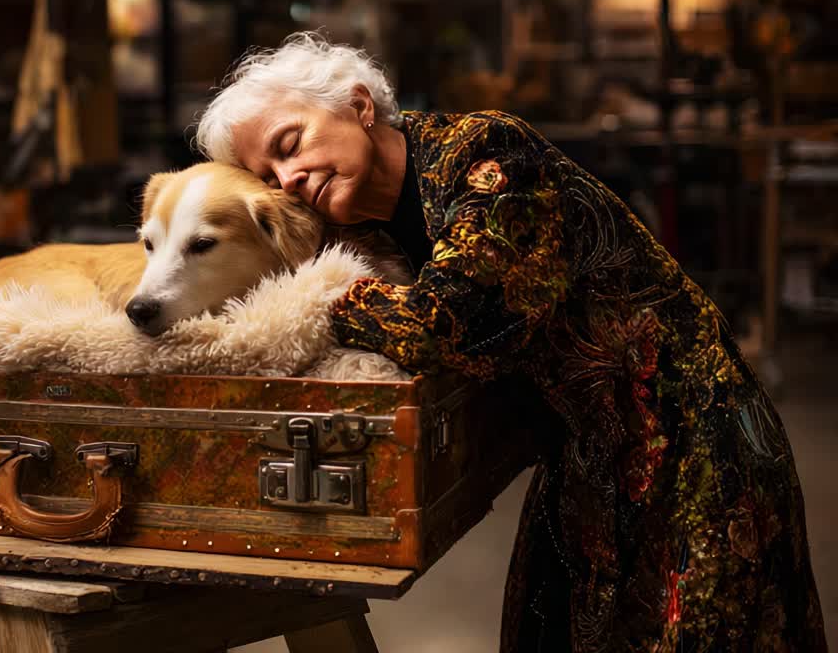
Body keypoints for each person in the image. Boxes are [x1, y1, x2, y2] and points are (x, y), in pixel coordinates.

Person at [195, 32, 827, 652]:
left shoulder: (491, 154)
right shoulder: (371, 227)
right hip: (589, 451)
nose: (289, 178)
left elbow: (456, 325)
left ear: (359, 106)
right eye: (269, 175)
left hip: (696, 441)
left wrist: (312, 298)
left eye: (289, 144)